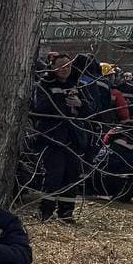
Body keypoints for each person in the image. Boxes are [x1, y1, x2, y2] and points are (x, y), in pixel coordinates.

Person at [29, 53, 90, 223]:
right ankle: (45, 212)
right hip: (52, 138)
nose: (65, 69)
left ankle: (66, 213)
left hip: (74, 138)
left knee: (72, 175)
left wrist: (80, 105)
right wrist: (64, 105)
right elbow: (39, 108)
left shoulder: (77, 84)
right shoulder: (44, 84)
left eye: (68, 66)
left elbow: (91, 110)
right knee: (53, 175)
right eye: (61, 66)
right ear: (52, 66)